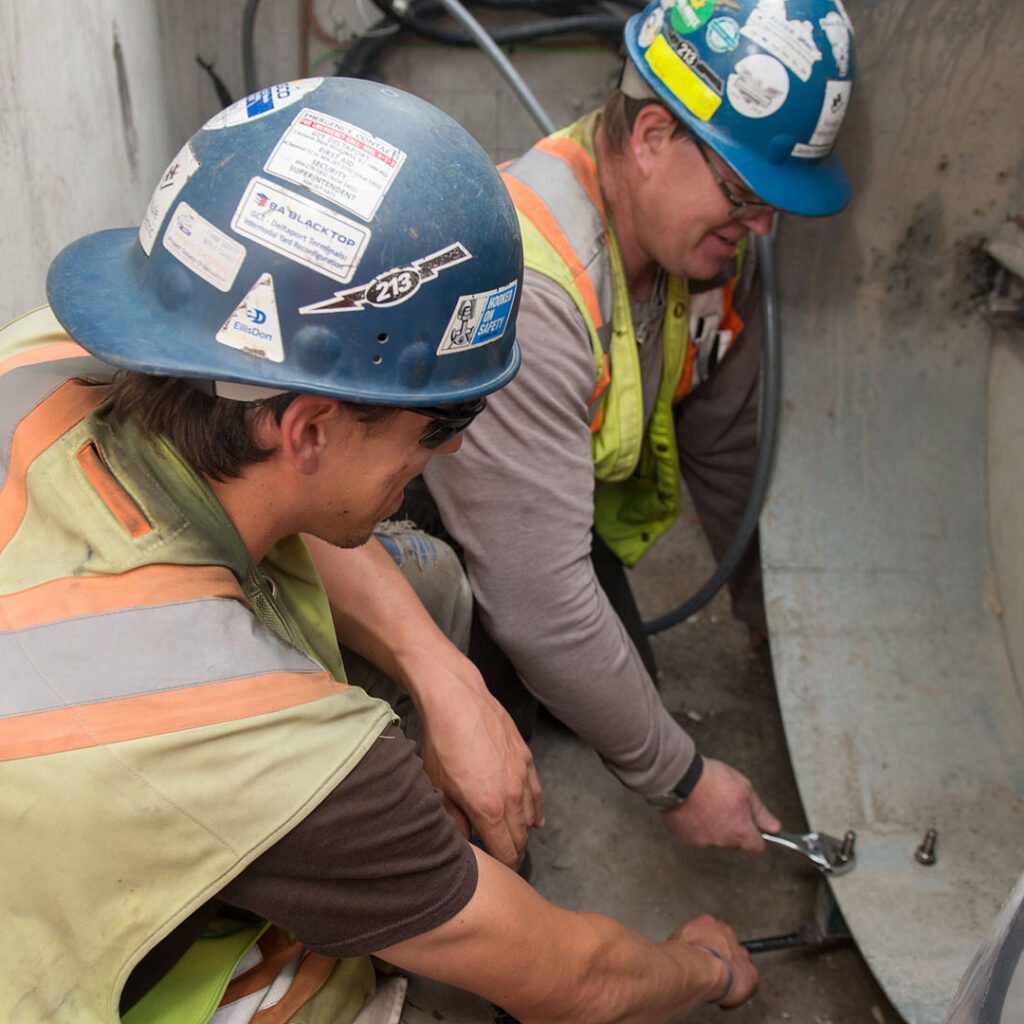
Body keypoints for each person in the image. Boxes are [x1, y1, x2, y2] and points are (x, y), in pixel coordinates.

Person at [0, 76, 757, 1023]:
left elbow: (284, 498)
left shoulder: (44, 357)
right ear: (310, 429)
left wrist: (447, 676)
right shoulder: (250, 736)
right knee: (329, 994)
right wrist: (705, 968)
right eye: (441, 424)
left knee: (425, 580)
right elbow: (574, 980)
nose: (455, 452)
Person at [422, 0, 856, 852]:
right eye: (744, 195)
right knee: (490, 794)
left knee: (625, 692)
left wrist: (770, 616)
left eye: (773, 203)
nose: (760, 227)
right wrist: (682, 782)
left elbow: (727, 443)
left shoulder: (711, 255)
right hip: (426, 529)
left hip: (544, 513)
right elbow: (540, 603)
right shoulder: (535, 284)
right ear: (653, 136)